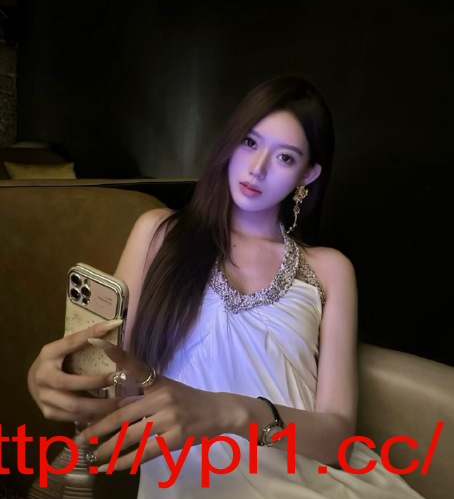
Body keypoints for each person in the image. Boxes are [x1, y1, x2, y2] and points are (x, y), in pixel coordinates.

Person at [28, 75, 426, 498]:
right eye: (250, 142)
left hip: (314, 481)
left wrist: (230, 412)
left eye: (285, 157)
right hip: (195, 484)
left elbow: (337, 436)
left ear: (307, 174)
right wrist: (59, 378)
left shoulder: (329, 269)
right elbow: (116, 381)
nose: (257, 168)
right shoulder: (160, 235)